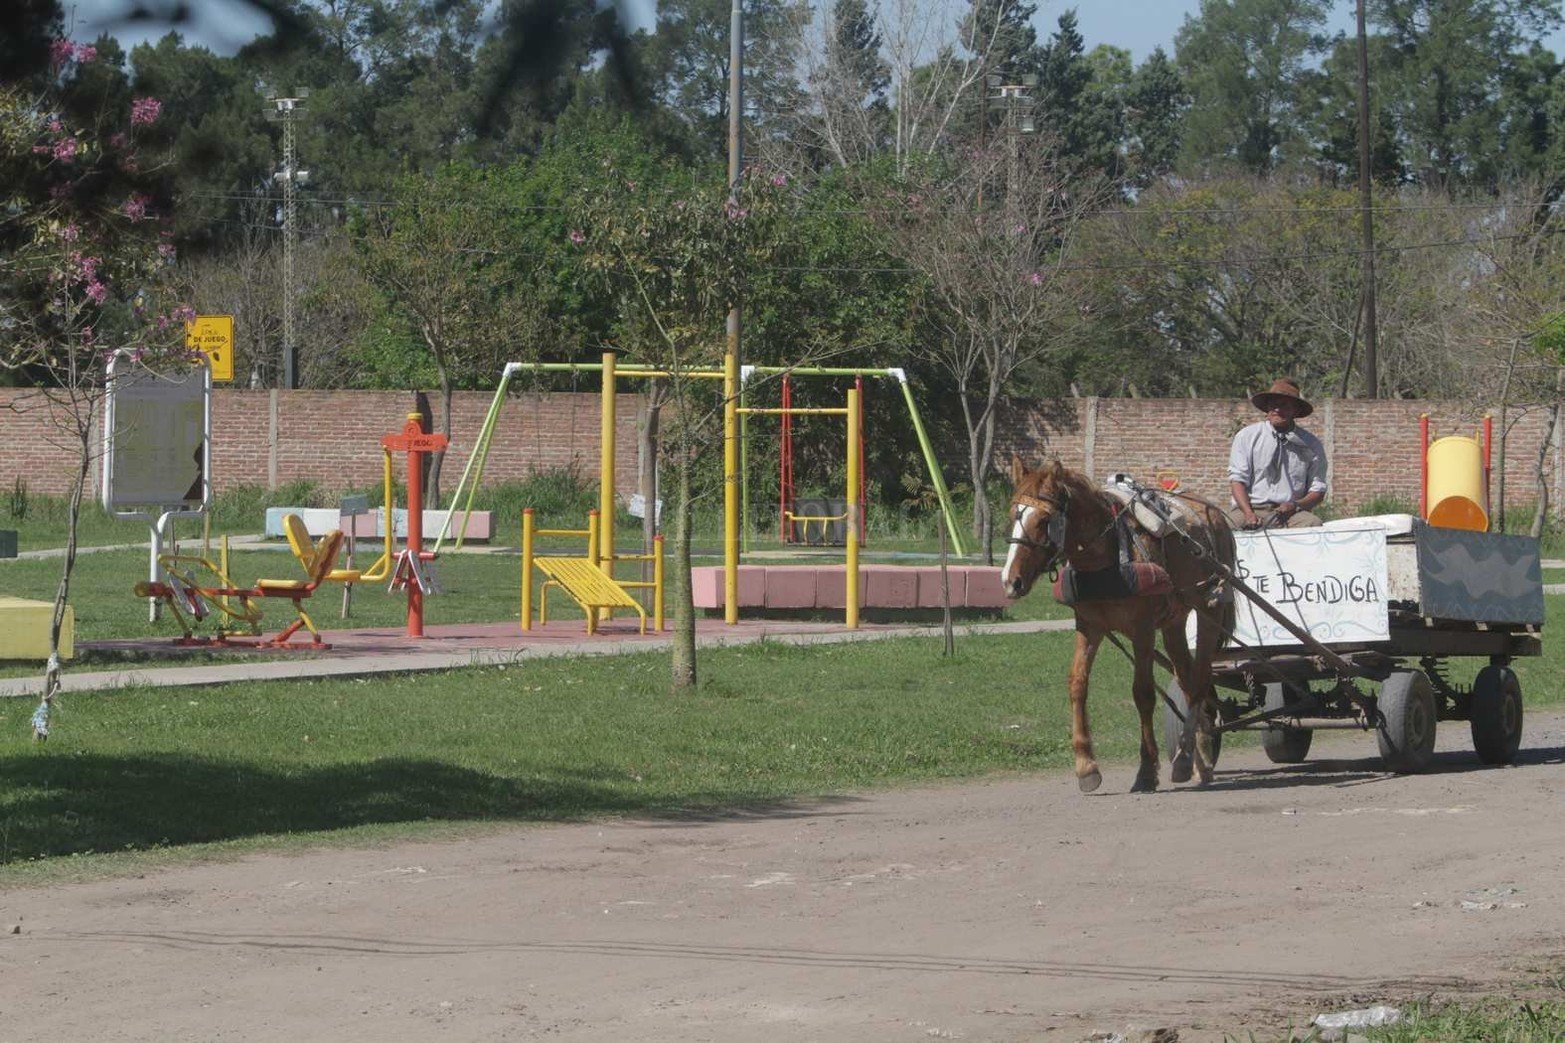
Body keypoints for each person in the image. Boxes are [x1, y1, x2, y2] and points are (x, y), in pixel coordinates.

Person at [1227, 377, 1327, 530]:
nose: (1277, 409)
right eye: (1273, 405)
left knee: (1313, 524)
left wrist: (1295, 505)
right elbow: (1237, 480)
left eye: (1284, 405)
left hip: (1290, 513)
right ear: (1267, 408)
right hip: (1251, 507)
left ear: (1295, 410)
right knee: (1222, 526)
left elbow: (1318, 490)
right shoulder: (1247, 436)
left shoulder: (1311, 444)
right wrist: (1248, 513)